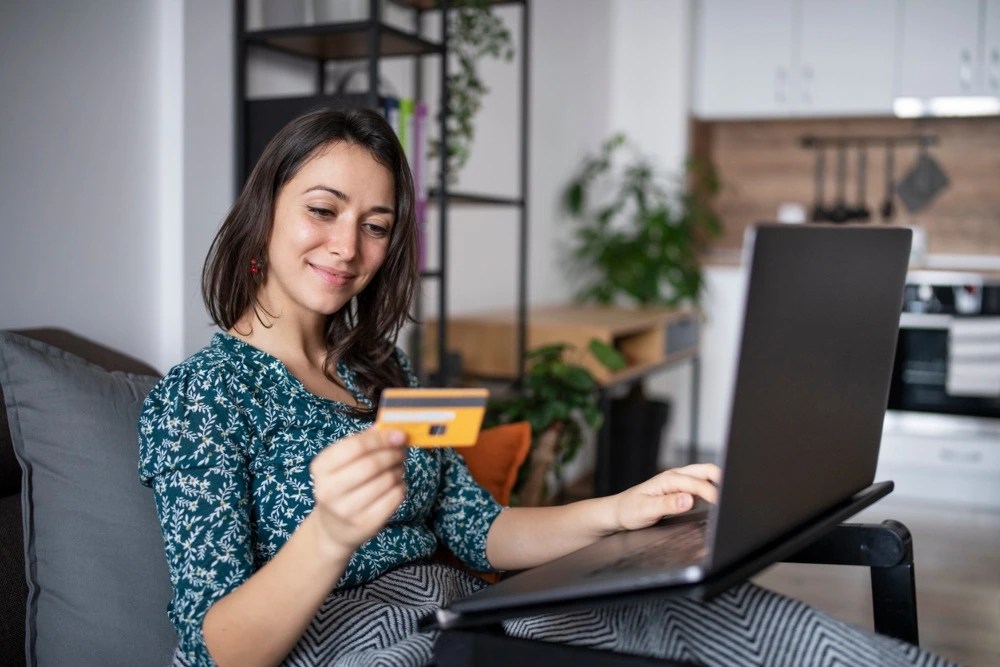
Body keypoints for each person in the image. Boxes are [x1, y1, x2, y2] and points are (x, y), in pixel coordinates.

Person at [138, 108, 953, 667]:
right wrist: (328, 533)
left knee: (711, 611)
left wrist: (622, 509)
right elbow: (218, 649)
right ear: (265, 209)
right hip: (363, 643)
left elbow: (479, 529)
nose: (348, 245)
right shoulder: (199, 398)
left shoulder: (381, 370)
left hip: (469, 607)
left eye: (376, 224)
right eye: (323, 209)